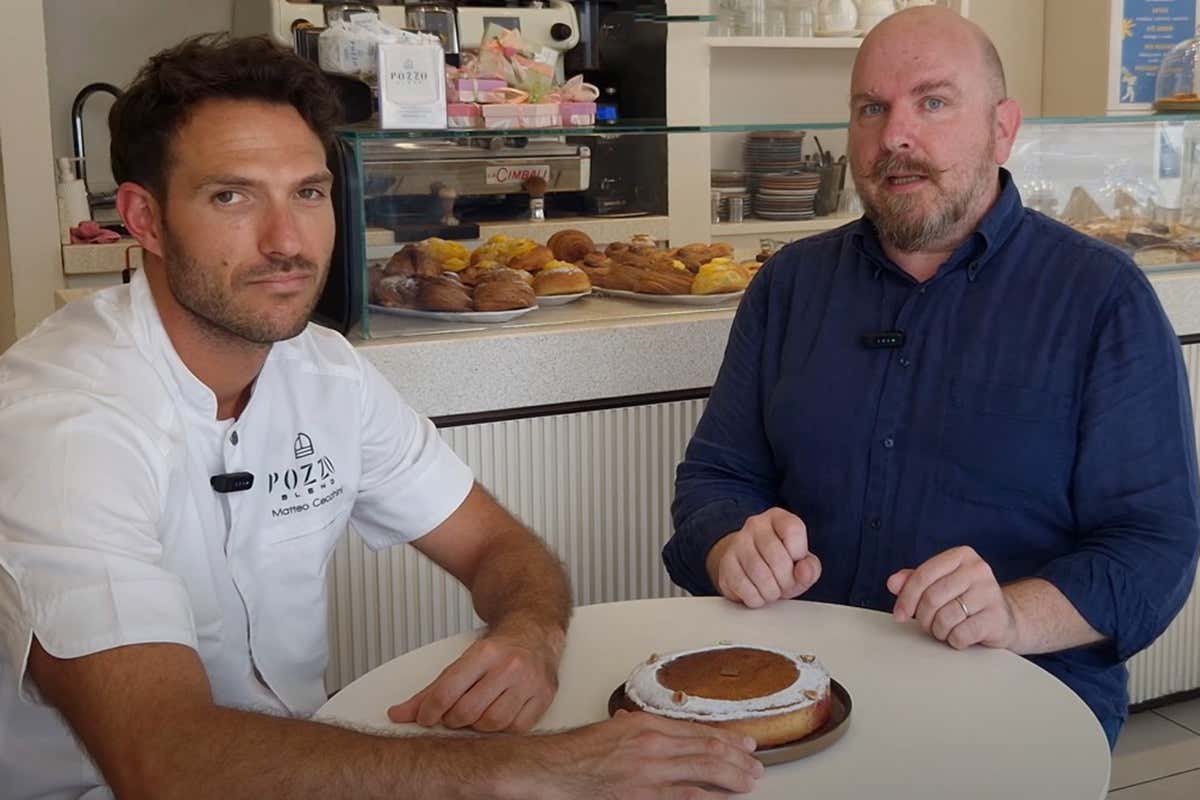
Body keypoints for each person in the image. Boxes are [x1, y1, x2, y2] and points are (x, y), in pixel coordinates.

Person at [0, 35, 761, 799]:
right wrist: (543, 769)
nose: (288, 242)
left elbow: (497, 545)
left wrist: (530, 635)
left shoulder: (324, 371)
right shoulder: (61, 420)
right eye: (231, 196)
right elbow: (165, 761)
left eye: (308, 192)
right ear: (146, 219)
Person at [664, 6, 1200, 749]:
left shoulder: (1101, 299)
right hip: (801, 683)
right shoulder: (789, 284)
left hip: (1017, 688)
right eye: (871, 109)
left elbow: (1153, 547)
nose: (896, 137)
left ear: (1003, 128)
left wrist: (1013, 614)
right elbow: (716, 479)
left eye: (934, 102)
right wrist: (730, 545)